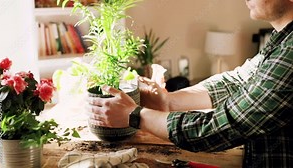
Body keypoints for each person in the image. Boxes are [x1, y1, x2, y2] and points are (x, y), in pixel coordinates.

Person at [87, 0, 293, 167]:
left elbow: (222, 126)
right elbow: (237, 81)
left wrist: (134, 116)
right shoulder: (282, 40)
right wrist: (168, 101)